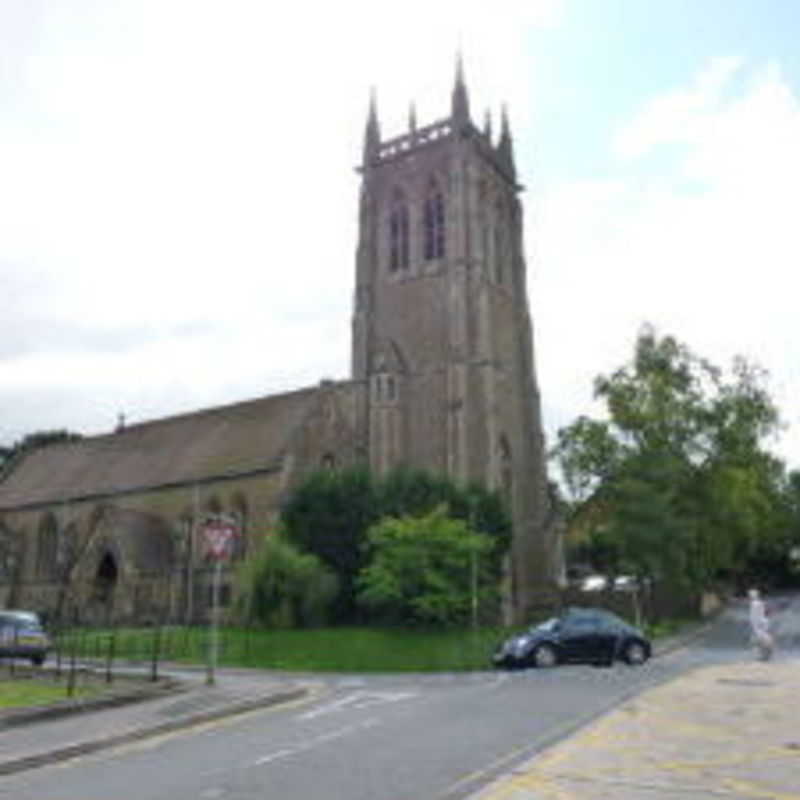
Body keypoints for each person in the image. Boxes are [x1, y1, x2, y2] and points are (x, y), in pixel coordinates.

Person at [748, 588, 773, 661]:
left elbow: (755, 615)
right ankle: (764, 655)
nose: (750, 597)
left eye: (750, 595)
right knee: (759, 639)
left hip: (759, 623)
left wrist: (758, 622)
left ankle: (763, 655)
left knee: (759, 639)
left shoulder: (755, 603)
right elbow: (764, 612)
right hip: (761, 622)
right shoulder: (759, 603)